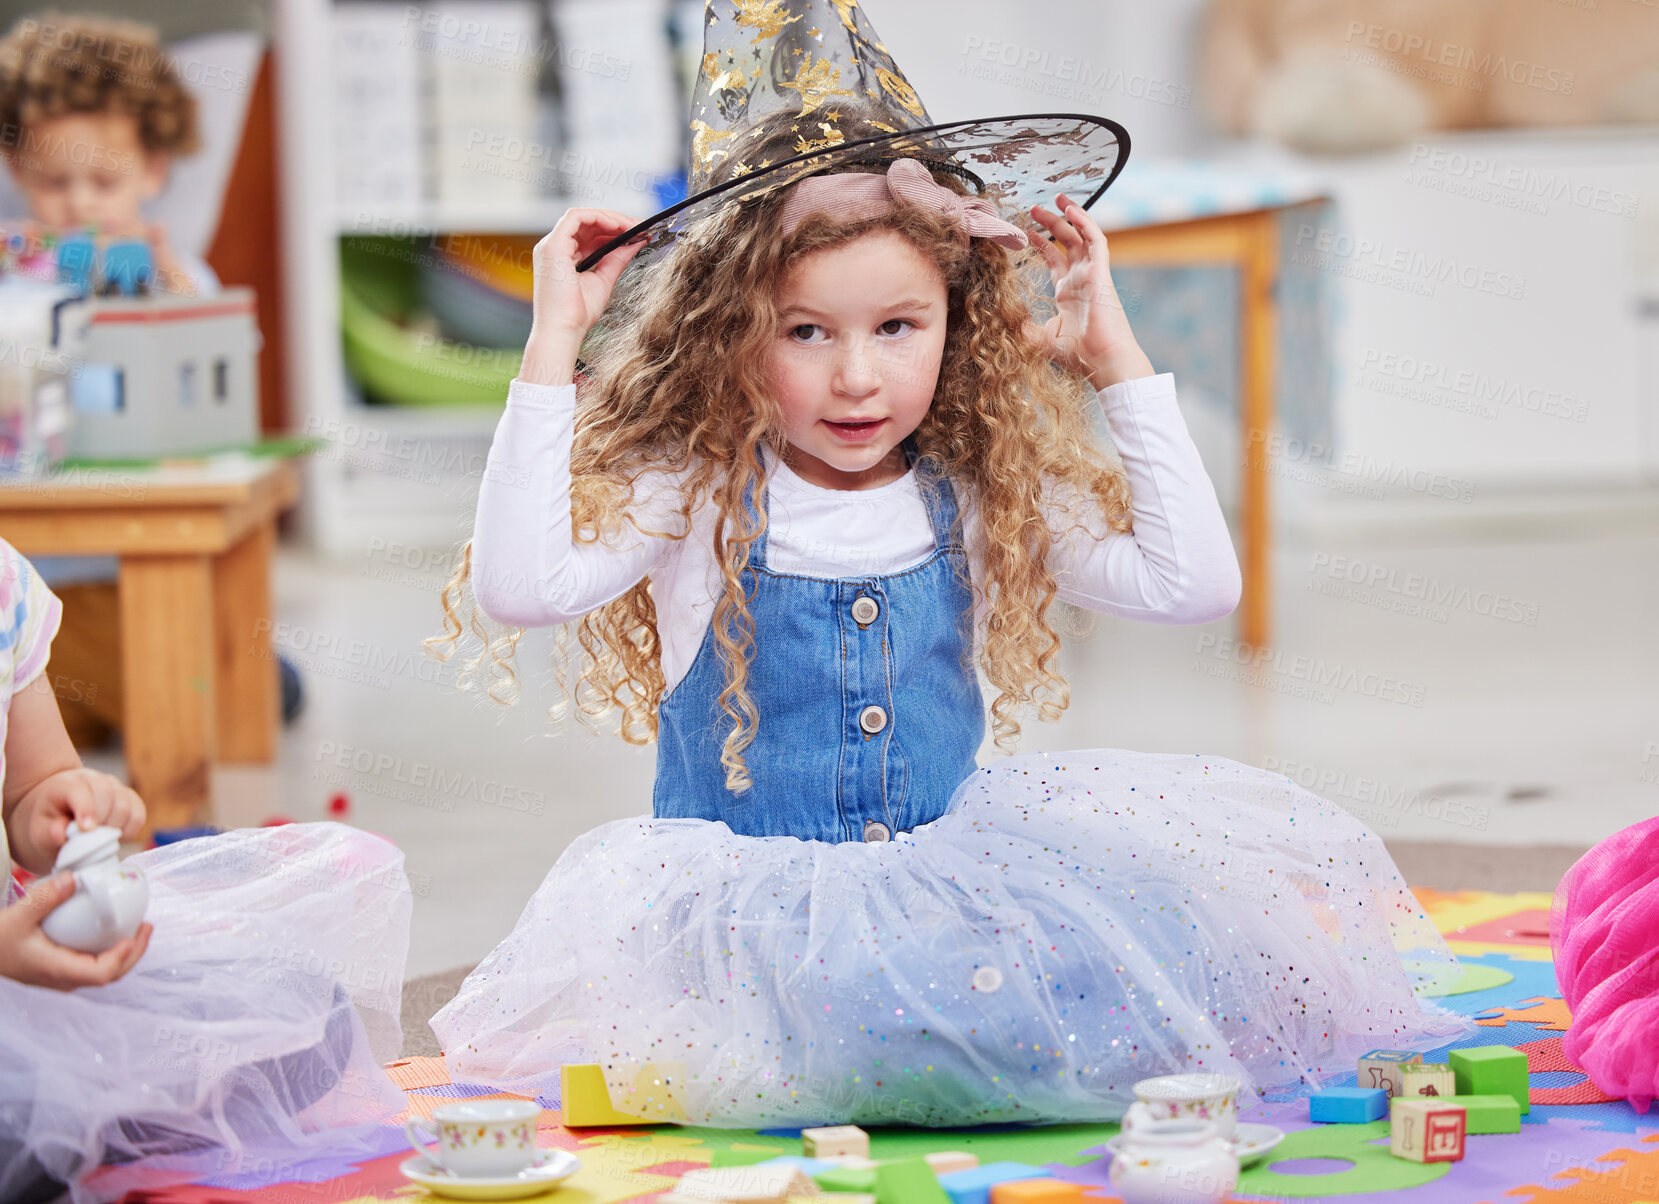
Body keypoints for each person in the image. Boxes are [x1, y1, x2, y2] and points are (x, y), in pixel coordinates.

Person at [428, 0, 1470, 1129]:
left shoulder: (973, 484)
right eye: (806, 332)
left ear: (955, 323)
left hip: (940, 917)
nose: (858, 380)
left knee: (1143, 1008)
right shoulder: (695, 487)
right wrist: (550, 346)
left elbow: (1194, 586)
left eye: (897, 327)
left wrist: (1112, 354)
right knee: (812, 1066)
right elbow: (520, 589)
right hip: (753, 944)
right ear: (732, 331)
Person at [0, 535, 411, 1203]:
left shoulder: (4, 589)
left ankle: (67, 1122)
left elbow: (32, 789)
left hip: (28, 977)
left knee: (311, 1011)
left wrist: (63, 808)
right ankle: (57, 1127)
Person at [0, 11, 219, 295]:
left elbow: (207, 330)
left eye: (105, 183)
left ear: (154, 170)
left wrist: (170, 275)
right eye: (54, 183)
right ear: (17, 168)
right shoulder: (16, 266)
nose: (80, 204)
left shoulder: (171, 270)